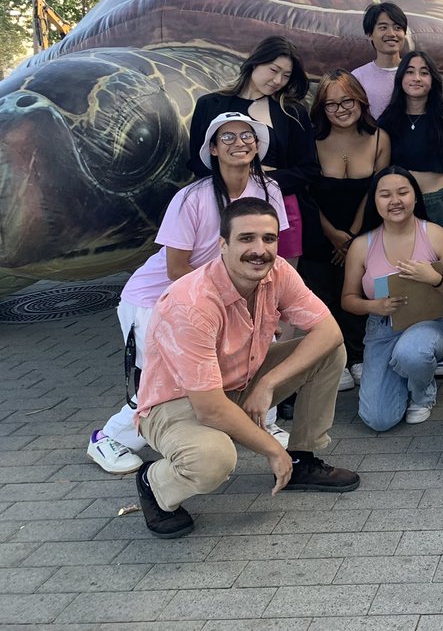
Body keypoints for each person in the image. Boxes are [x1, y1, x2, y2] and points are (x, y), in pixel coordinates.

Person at [133, 198, 359, 539]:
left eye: (268, 239)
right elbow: (209, 409)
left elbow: (329, 330)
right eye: (246, 238)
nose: (260, 250)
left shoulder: (278, 271)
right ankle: (155, 483)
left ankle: (301, 461)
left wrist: (268, 383)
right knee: (213, 460)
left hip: (238, 381)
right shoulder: (192, 303)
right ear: (222, 245)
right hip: (177, 402)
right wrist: (271, 449)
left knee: (328, 351)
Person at [86, 112, 290, 474]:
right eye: (227, 137)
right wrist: (234, 301)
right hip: (155, 299)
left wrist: (264, 304)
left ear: (257, 146)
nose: (239, 143)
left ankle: (261, 423)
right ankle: (109, 439)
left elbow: (272, 252)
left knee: (250, 359)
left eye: (247, 136)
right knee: (168, 380)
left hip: (219, 297)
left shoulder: (269, 191)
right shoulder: (191, 198)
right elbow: (176, 270)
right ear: (212, 148)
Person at [340, 167, 443, 431]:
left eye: (403, 192)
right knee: (378, 420)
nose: (395, 201)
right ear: (374, 200)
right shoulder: (361, 245)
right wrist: (373, 306)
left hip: (429, 322)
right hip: (382, 328)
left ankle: (423, 391)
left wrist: (435, 279)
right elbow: (347, 299)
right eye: (385, 195)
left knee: (411, 353)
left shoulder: (434, 234)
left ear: (415, 196)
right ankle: (408, 375)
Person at [377, 50, 443, 377]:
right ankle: (413, 341)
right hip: (404, 207)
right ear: (401, 78)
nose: (417, 78)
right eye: (410, 72)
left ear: (433, 80)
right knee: (408, 270)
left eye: (424, 72)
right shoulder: (387, 121)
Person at [189, 36, 319, 263]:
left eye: (286, 76)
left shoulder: (293, 112)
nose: (278, 80)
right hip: (222, 208)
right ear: (255, 63)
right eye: (273, 70)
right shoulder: (210, 105)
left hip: (280, 209)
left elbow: (309, 169)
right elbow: (198, 163)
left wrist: (260, 179)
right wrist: (236, 181)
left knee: (280, 286)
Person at [298, 71, 390, 389]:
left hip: (362, 232)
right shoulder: (310, 140)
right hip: (319, 230)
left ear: (360, 100)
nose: (340, 109)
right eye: (331, 104)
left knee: (358, 290)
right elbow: (306, 192)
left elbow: (375, 190)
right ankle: (334, 360)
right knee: (322, 295)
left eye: (347, 100)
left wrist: (351, 236)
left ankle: (359, 356)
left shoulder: (379, 138)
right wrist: (333, 235)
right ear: (321, 109)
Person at [352, 2, 409, 119]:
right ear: (369, 34)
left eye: (397, 28)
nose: (391, 34)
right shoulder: (358, 77)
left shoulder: (417, 74)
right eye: (383, 27)